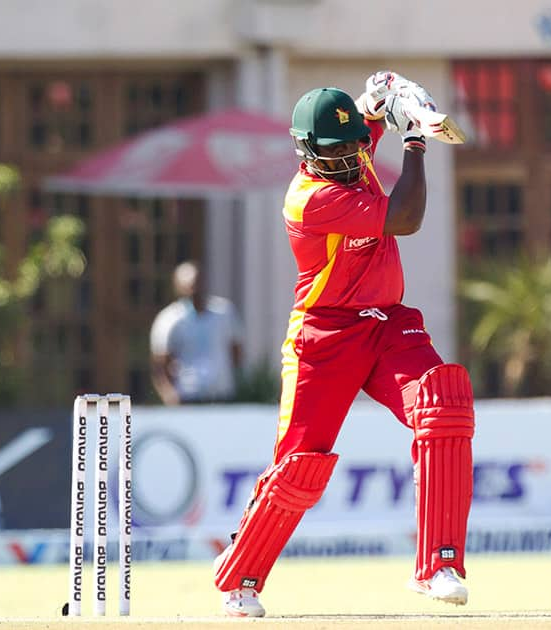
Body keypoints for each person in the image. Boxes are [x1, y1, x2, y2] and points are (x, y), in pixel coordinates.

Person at [212, 73, 475, 616]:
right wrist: (417, 141)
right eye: (330, 151)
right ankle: (242, 581)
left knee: (443, 406)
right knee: (299, 463)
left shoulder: (353, 145)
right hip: (324, 334)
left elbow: (369, 112)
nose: (346, 158)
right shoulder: (311, 198)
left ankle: (439, 563)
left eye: (353, 144)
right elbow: (406, 217)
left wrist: (384, 95)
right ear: (306, 151)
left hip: (388, 324)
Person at [150, 260, 244, 405]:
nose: (194, 290)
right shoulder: (168, 319)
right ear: (178, 287)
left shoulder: (224, 312)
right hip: (187, 399)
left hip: (221, 396)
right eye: (189, 286)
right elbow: (160, 364)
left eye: (197, 284)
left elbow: (236, 351)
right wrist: (168, 394)